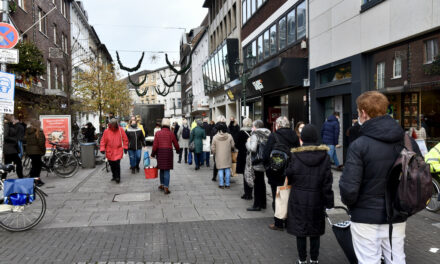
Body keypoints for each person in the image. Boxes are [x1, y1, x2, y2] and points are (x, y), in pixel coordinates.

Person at [340, 91, 421, 264]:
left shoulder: (359, 145)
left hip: (365, 217)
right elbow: (417, 176)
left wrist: (352, 205)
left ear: (363, 112)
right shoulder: (407, 140)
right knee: (397, 259)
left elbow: (349, 189)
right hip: (397, 213)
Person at [285, 124, 334, 264]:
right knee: (315, 230)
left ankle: (301, 259)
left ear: (302, 138)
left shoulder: (295, 155)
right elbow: (327, 182)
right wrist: (329, 202)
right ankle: (314, 259)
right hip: (317, 199)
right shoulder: (324, 156)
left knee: (300, 230)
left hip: (298, 198)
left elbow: (289, 175)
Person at [264, 116, 300, 230]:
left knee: (277, 195)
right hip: (291, 170)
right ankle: (289, 221)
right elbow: (298, 152)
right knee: (289, 195)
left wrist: (268, 167)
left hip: (276, 171)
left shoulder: (274, 135)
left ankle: (278, 222)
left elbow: (266, 154)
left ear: (278, 125)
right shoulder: (294, 136)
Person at [246, 120, 270, 211]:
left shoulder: (255, 135)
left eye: (253, 126)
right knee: (262, 182)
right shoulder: (267, 134)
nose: (252, 127)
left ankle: (257, 205)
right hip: (264, 161)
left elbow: (252, 148)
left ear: (256, 127)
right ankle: (263, 203)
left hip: (256, 162)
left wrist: (248, 142)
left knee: (257, 183)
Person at [152, 118, 180, 194]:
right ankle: (166, 187)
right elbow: (176, 143)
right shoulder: (171, 133)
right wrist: (178, 151)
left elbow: (155, 145)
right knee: (167, 170)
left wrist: (152, 154)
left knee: (161, 169)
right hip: (168, 153)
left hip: (160, 153)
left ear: (162, 124)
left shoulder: (158, 133)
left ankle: (162, 185)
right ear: (168, 125)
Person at [100, 118, 129, 183]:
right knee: (111, 164)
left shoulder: (120, 130)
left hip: (118, 150)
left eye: (114, 124)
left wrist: (125, 147)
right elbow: (103, 141)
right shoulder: (106, 131)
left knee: (117, 164)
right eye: (112, 124)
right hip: (109, 151)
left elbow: (125, 139)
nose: (113, 125)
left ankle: (118, 177)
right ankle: (114, 175)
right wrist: (102, 148)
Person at [211, 121, 235, 189]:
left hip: (219, 156)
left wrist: (215, 152)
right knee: (227, 169)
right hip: (227, 155)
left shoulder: (215, 137)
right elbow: (233, 145)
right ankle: (227, 184)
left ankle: (221, 184)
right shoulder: (229, 136)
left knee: (220, 169)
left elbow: (213, 147)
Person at [24, 119, 46, 187]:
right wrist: (43, 151)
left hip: (30, 152)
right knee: (37, 167)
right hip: (37, 152)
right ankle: (36, 181)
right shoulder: (39, 131)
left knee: (34, 166)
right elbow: (41, 143)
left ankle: (34, 180)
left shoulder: (28, 131)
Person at [2, 115, 24, 180]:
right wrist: (15, 139)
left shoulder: (10, 125)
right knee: (17, 163)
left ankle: (3, 179)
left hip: (12, 148)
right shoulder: (7, 125)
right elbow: (5, 137)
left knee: (11, 164)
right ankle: (20, 178)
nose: (14, 119)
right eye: (13, 118)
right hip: (9, 149)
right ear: (10, 118)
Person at [236, 117, 253, 200]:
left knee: (245, 174)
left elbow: (237, 145)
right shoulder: (253, 132)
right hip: (252, 156)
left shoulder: (241, 133)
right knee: (252, 174)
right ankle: (251, 192)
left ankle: (247, 193)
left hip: (243, 156)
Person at [211, 116, 228, 181]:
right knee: (225, 162)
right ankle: (224, 177)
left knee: (216, 162)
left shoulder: (215, 127)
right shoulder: (226, 127)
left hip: (217, 148)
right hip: (225, 148)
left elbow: (212, 136)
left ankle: (214, 176)